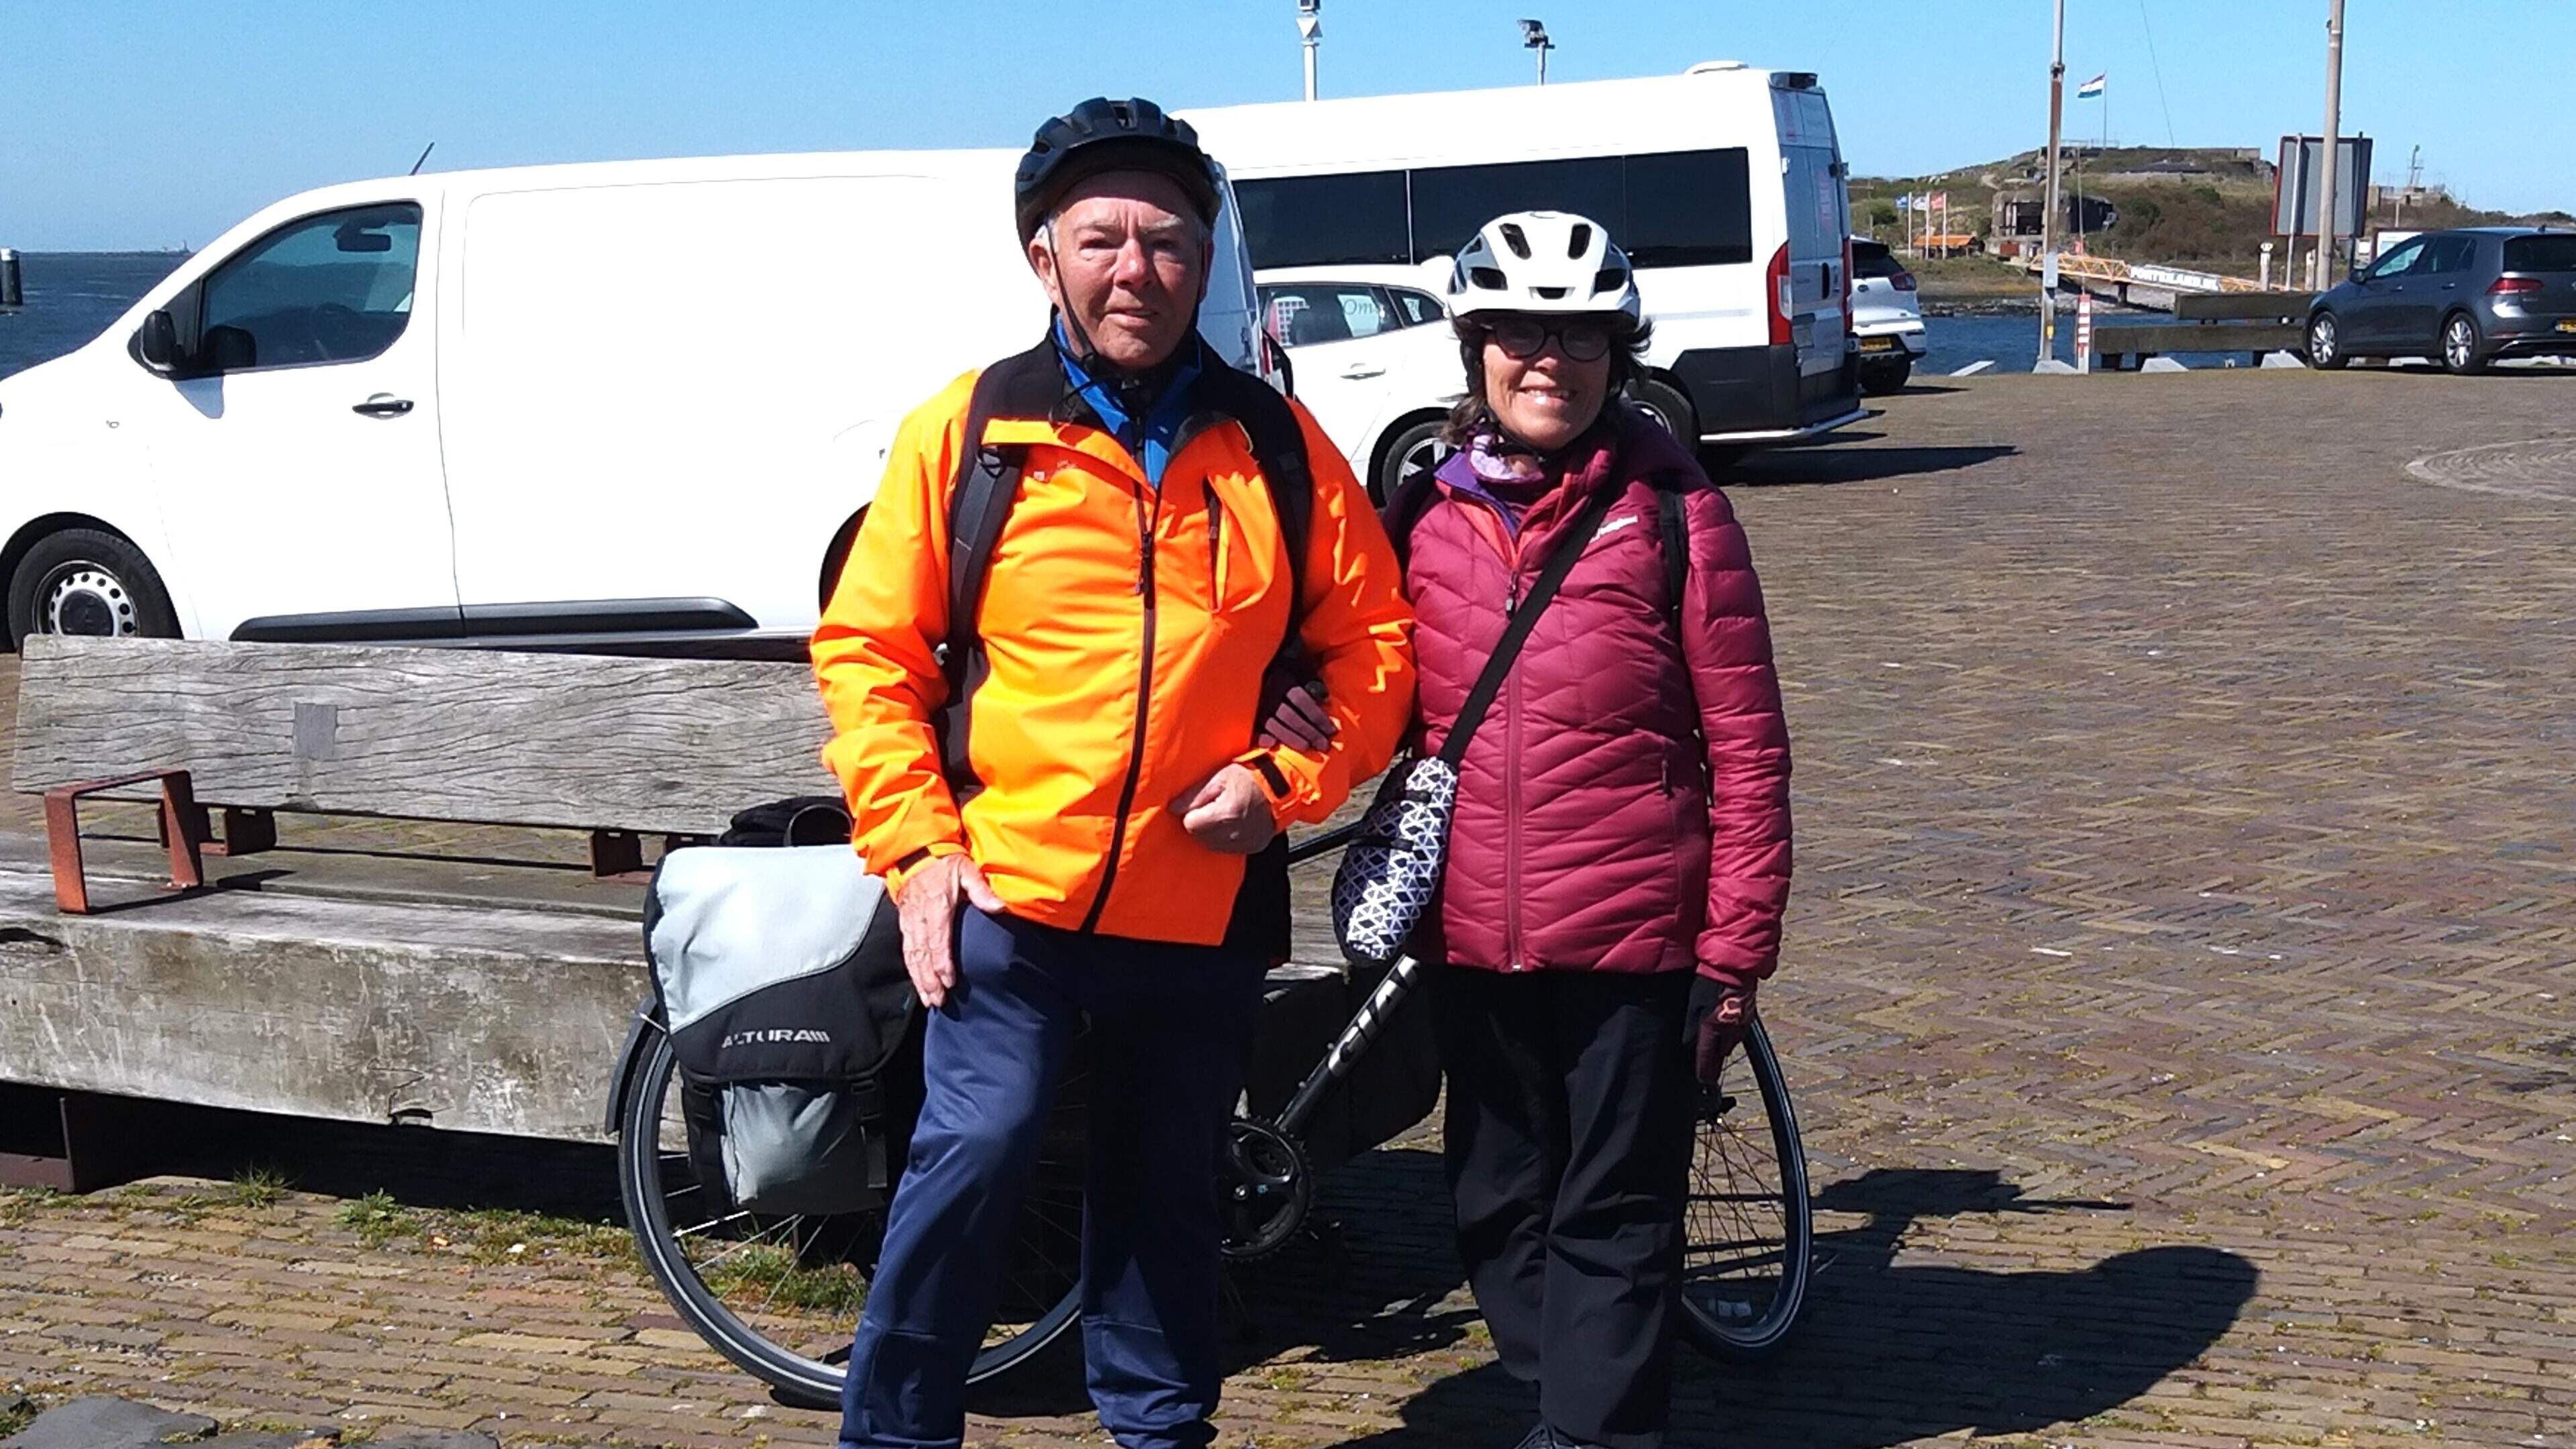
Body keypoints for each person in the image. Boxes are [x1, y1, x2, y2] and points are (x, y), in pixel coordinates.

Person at [809, 97, 1414, 1449]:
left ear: (1205, 261)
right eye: (1102, 241)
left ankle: (1159, 1430)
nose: (1136, 269)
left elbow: (1374, 647)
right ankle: (893, 1431)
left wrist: (1284, 786)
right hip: (1008, 898)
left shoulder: (1274, 444)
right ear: (1044, 258)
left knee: (1166, 1188)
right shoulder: (967, 434)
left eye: (1168, 242)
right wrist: (915, 853)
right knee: (976, 1152)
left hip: (1196, 904)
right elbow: (870, 653)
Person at [1265, 211, 1792, 1449]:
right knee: (1497, 1196)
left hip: (1630, 940)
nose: (1546, 358)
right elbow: (1371, 680)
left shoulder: (1675, 515)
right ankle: (1566, 1391)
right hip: (1469, 932)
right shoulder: (1422, 513)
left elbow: (1751, 752)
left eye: (1578, 335)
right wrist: (1291, 704)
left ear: (1619, 354)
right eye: (1517, 333)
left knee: (1614, 1206)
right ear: (1475, 350)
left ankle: (1595, 1428)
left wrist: (1735, 953)